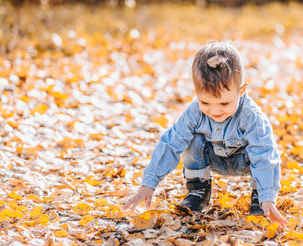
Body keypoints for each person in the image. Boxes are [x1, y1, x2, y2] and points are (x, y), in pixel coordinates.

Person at [123, 41, 289, 229]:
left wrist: (268, 198)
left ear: (241, 91)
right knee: (190, 137)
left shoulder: (251, 117)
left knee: (261, 152)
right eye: (205, 102)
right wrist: (149, 184)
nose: (215, 111)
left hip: (245, 160)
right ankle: (198, 191)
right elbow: (171, 144)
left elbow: (265, 156)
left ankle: (259, 199)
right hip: (213, 158)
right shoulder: (194, 113)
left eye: (224, 104)